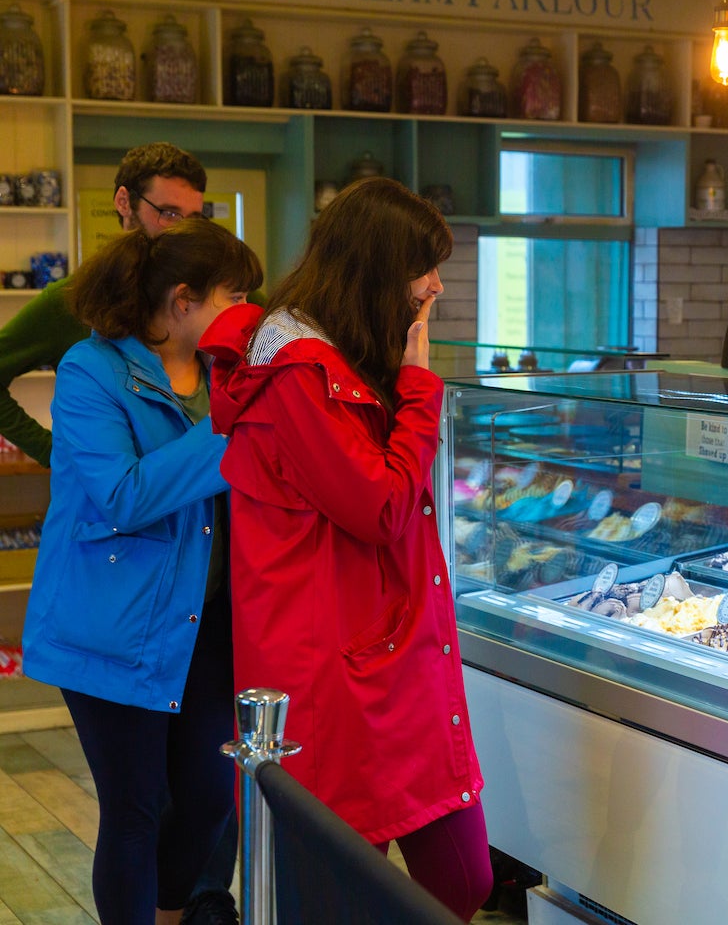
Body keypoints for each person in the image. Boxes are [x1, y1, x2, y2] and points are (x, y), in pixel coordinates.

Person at [203, 177, 492, 918]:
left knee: (462, 878)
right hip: (338, 678)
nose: (434, 285)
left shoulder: (345, 359)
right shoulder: (299, 375)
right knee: (344, 894)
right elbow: (381, 507)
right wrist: (421, 386)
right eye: (423, 266)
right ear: (373, 269)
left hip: (390, 663)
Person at [21, 219, 263, 925]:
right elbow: (123, 495)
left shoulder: (226, 371)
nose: (245, 308)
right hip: (114, 625)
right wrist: (226, 431)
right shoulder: (90, 370)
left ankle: (165, 914)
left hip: (205, 621)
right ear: (182, 300)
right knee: (133, 808)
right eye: (235, 293)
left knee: (214, 794)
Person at [0, 142, 207, 467]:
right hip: (108, 505)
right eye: (168, 213)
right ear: (124, 202)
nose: (183, 230)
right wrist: (53, 453)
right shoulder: (73, 298)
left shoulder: (206, 293)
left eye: (194, 218)